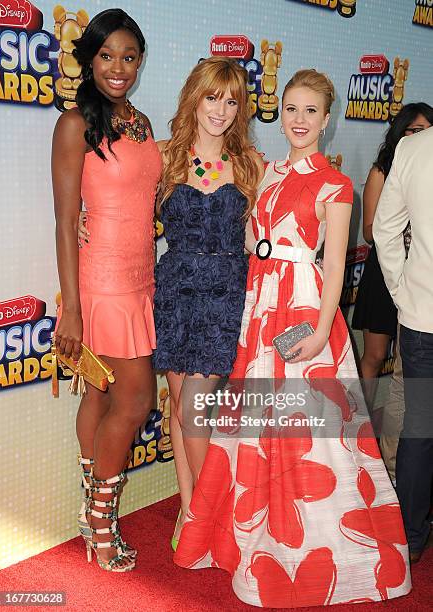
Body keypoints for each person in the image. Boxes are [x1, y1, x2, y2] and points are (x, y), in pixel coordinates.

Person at [173, 69, 411, 607]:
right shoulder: (264, 171)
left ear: (327, 120)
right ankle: (256, 530)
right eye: (290, 109)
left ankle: (319, 540)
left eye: (310, 111)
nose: (299, 120)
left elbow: (334, 269)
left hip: (304, 313)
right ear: (280, 115)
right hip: (260, 310)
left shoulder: (335, 185)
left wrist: (324, 329)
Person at [52, 9, 161, 572]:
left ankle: (88, 510)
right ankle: (100, 524)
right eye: (106, 56)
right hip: (102, 284)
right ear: (89, 60)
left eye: (129, 57)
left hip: (142, 278)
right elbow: (66, 219)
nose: (118, 68)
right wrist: (70, 308)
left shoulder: (142, 124)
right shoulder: (75, 125)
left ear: (140, 62)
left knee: (100, 393)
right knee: (136, 398)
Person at [153, 57, 263, 549]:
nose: (221, 109)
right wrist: (82, 219)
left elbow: (266, 233)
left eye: (231, 100)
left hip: (224, 293)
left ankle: (215, 516)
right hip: (175, 289)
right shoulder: (163, 157)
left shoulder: (250, 164)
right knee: (180, 406)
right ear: (194, 97)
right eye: (212, 97)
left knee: (196, 408)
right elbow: (120, 208)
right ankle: (189, 509)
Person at [374, 125, 433, 564]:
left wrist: (403, 291)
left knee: (420, 427)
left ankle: (412, 534)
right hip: (419, 316)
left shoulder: (414, 148)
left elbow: (385, 230)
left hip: (421, 316)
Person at [352, 103, 433, 413]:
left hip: (420, 278)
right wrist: (408, 224)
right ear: (400, 132)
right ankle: (358, 426)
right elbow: (372, 231)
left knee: (405, 366)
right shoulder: (382, 170)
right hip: (387, 274)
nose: (419, 137)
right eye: (413, 130)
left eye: (426, 130)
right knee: (373, 356)